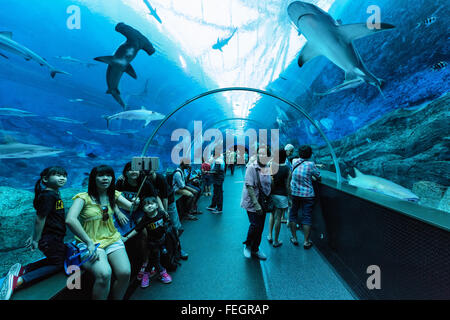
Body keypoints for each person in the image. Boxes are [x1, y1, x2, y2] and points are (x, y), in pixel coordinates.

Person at [66, 165, 138, 300]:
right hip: (91, 242)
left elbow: (130, 206)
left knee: (125, 272)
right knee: (104, 274)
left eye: (109, 175)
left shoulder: (114, 195)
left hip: (112, 238)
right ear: (93, 178)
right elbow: (70, 220)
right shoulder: (83, 198)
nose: (105, 178)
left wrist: (136, 202)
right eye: (101, 175)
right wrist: (88, 242)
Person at [0, 167, 68, 300]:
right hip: (50, 238)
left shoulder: (52, 194)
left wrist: (34, 235)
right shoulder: (48, 196)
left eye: (64, 175)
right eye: (57, 175)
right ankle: (19, 281)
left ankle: (24, 269)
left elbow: (42, 217)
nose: (62, 178)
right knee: (58, 264)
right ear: (45, 179)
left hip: (53, 237)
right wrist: (35, 239)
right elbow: (40, 219)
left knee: (55, 258)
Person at [115, 162, 162, 283]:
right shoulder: (121, 182)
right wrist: (119, 213)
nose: (133, 172)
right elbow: (112, 198)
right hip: (123, 212)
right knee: (117, 231)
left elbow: (155, 197)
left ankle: (145, 262)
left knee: (144, 232)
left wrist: (162, 210)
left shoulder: (145, 183)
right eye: (130, 170)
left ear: (140, 171)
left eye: (136, 169)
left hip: (140, 211)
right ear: (125, 172)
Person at [122, 197, 172, 287]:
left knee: (155, 258)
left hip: (162, 240)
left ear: (157, 205)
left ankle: (147, 274)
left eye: (151, 203)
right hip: (152, 243)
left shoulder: (161, 213)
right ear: (143, 209)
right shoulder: (145, 219)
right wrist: (127, 237)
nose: (149, 206)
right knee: (155, 258)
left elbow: (166, 222)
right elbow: (137, 229)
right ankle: (161, 273)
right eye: (146, 204)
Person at [241, 145, 272, 260]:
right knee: (255, 225)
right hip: (253, 201)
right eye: (260, 153)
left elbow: (268, 184)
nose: (262, 155)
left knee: (261, 227)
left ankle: (256, 249)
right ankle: (248, 245)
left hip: (263, 202)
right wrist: (256, 203)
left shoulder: (268, 167)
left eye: (264, 154)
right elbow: (249, 186)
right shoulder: (252, 167)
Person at [287, 145, 321, 249]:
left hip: (295, 193)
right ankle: (306, 241)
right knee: (307, 217)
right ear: (310, 154)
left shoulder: (294, 162)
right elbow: (318, 177)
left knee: (293, 215)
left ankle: (294, 238)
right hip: (307, 195)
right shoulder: (311, 164)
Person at [267, 149, 290, 248]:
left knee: (272, 215)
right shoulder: (287, 169)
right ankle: (276, 241)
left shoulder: (271, 166)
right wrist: (290, 197)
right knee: (278, 218)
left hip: (272, 194)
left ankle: (270, 235)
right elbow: (287, 185)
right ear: (285, 156)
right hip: (282, 195)